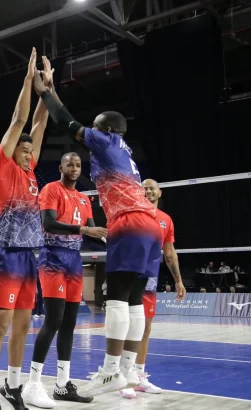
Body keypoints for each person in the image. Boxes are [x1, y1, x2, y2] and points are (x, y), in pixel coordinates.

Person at [33, 71, 160, 397]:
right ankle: (129, 368)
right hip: (150, 225)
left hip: (129, 222)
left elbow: (66, 121)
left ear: (105, 128)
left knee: (116, 299)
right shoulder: (127, 153)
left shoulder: (105, 139)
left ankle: (110, 370)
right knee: (134, 303)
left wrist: (46, 92)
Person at [0, 48, 45, 410]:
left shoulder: (31, 173)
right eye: (23, 147)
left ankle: (12, 386)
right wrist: (27, 81)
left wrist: (46, 91)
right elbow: (21, 119)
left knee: (23, 328)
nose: (28, 151)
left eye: (31, 150)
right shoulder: (1, 166)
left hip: (28, 258)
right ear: (11, 148)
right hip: (4, 256)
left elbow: (38, 121)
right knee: (0, 328)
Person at [21, 151, 106, 407]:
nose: (74, 167)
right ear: (61, 166)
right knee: (54, 319)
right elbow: (48, 223)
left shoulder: (83, 198)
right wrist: (84, 229)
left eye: (78, 164)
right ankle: (32, 384)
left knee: (70, 323)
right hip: (53, 258)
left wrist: (113, 235)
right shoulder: (51, 190)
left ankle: (62, 385)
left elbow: (93, 231)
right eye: (70, 163)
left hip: (74, 260)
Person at [120, 179, 185, 396]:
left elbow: (169, 252)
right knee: (127, 326)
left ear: (159, 192)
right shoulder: (132, 214)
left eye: (151, 187)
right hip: (130, 275)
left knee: (145, 328)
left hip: (150, 278)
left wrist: (178, 280)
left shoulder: (166, 220)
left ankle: (138, 376)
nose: (148, 190)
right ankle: (122, 378)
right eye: (144, 188)